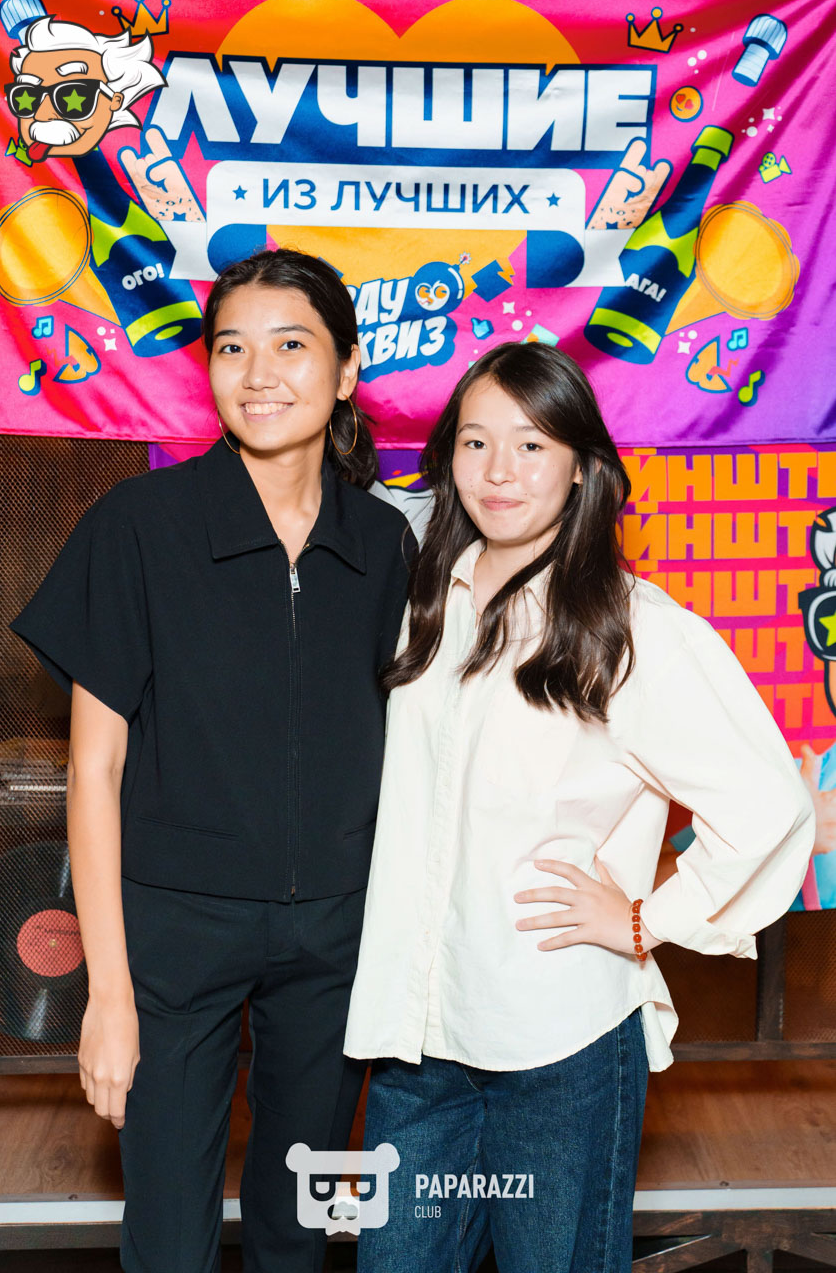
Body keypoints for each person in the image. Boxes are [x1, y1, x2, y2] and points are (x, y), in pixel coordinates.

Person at [344, 341, 814, 1273]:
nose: (498, 470)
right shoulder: (423, 600)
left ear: (579, 466)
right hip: (416, 1039)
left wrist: (647, 920)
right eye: (474, 442)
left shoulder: (631, 628)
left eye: (530, 445)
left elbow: (768, 803)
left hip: (557, 1043)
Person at [10, 247, 413, 1273]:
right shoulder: (139, 527)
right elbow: (93, 772)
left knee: (299, 1223)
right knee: (167, 1233)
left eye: (291, 345)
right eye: (231, 348)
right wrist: (109, 993)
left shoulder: (383, 543)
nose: (258, 373)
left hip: (336, 935)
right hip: (173, 935)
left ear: (347, 370)